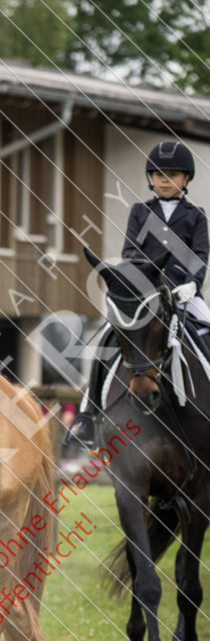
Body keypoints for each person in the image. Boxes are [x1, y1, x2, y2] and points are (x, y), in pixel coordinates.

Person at [68, 140, 210, 446]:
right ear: (150, 178)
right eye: (159, 175)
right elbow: (130, 252)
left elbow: (200, 255)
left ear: (186, 179)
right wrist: (145, 283)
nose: (165, 180)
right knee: (106, 338)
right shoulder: (140, 212)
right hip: (146, 295)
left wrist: (192, 284)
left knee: (208, 332)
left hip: (184, 294)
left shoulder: (196, 216)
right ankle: (88, 416)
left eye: (173, 174)